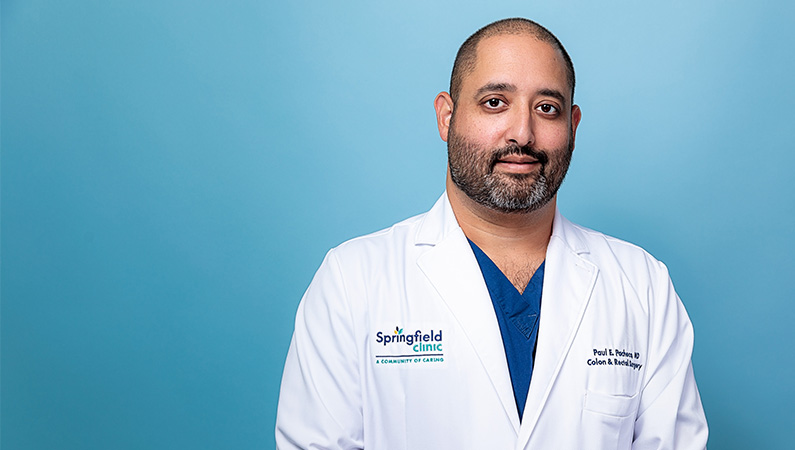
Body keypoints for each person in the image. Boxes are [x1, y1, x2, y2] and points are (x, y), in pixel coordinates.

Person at [275, 17, 708, 450]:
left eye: (547, 108)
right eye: (495, 102)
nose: (522, 133)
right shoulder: (353, 282)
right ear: (447, 117)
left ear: (573, 127)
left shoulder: (642, 286)